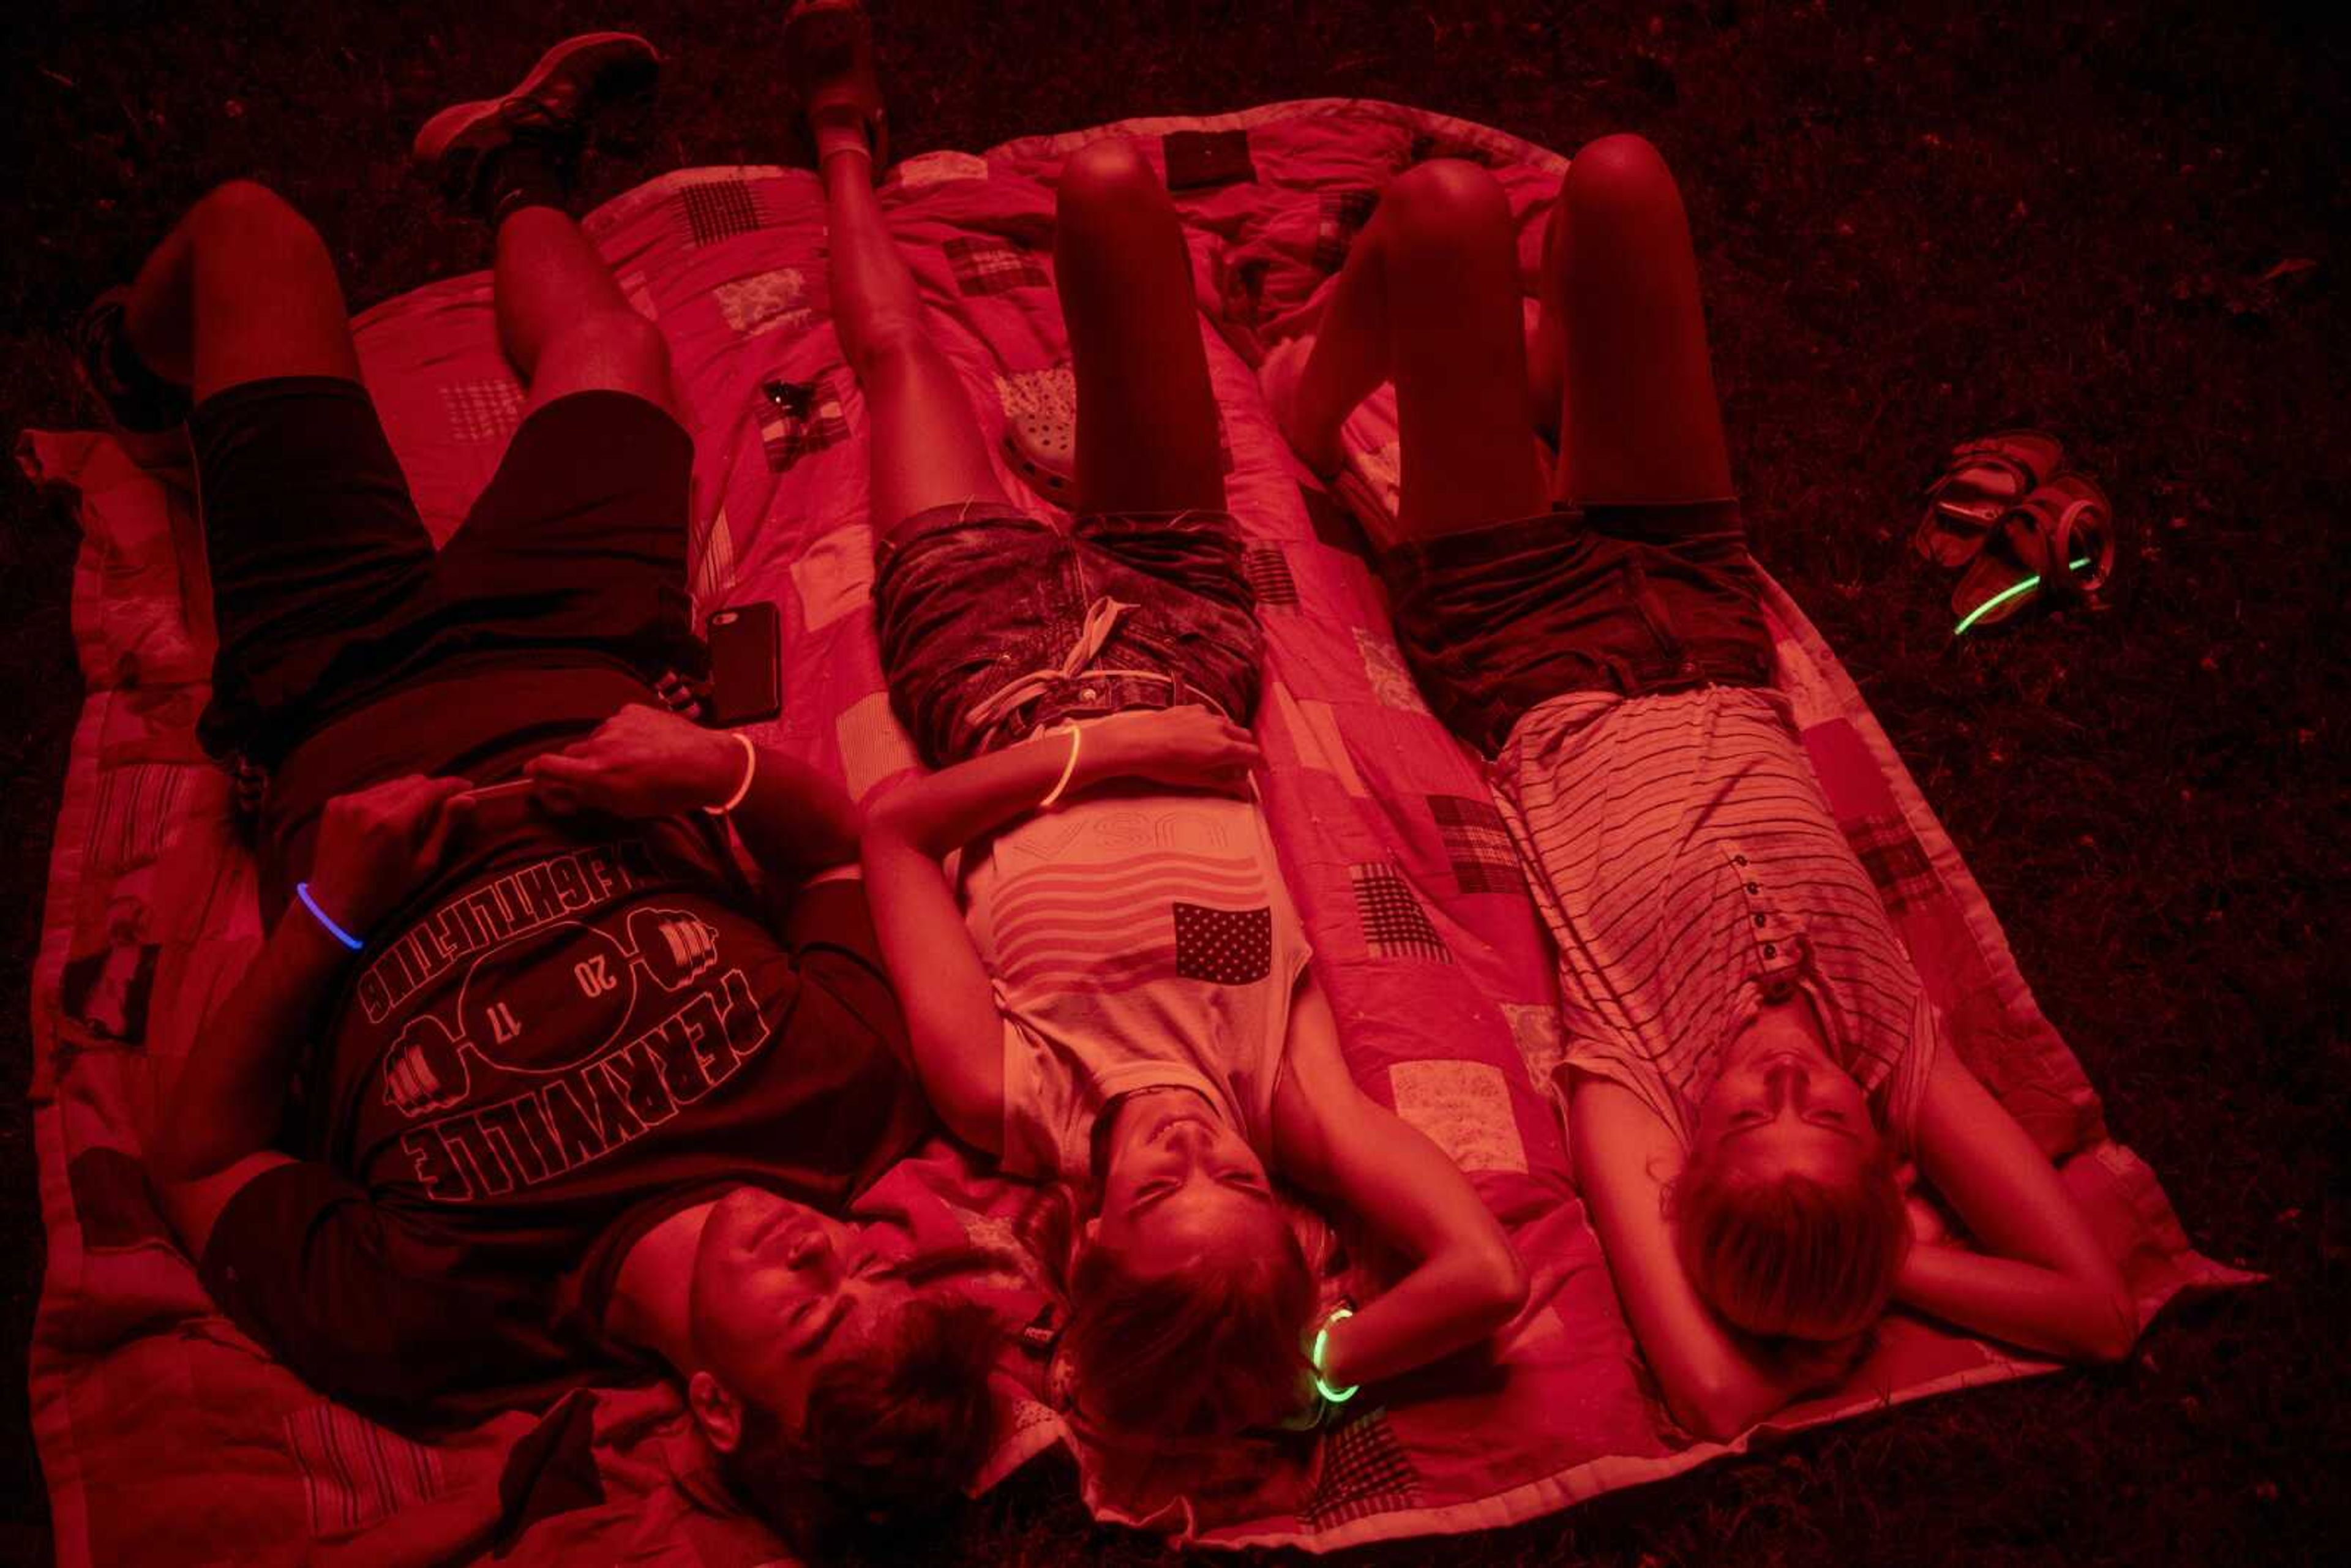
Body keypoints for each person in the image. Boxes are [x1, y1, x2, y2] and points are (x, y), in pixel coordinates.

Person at [91, 32, 997, 1546]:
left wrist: (329, 911)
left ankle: (131, 377)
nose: (829, 1251)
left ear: (716, 1406)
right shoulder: (848, 1108)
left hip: (336, 702)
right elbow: (834, 848)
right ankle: (505, 167)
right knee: (620, 360)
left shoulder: (438, 1335)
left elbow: (198, 1154)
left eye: (810, 1310)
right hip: (577, 652)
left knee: (252, 231)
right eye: (874, 1270)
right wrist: (705, 766)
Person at [1263, 138, 2140, 1441]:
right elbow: (2097, 1312)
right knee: (1620, 180)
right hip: (1705, 611)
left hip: (1519, 641)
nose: (1787, 1078)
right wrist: (1894, 1272)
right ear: (1892, 1160)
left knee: (1443, 212)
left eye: (1750, 1117)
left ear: (1684, 1174)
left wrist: (1833, 1302)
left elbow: (1718, 1391)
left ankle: (1301, 406)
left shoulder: (1634, 1083)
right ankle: (1547, 388)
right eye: (1821, 1113)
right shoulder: (1899, 1055)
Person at [786, 0, 1527, 1439]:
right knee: (1112, 197)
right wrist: (1309, 1374)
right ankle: (1303, 333)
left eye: (1159, 1194)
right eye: (1234, 1186)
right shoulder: (1286, 1092)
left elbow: (896, 830)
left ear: (1091, 1241)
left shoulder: (1011, 1096)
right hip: (1181, 622)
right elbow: (1483, 1273)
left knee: (908, 369)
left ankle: (838, 155)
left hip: (987, 658)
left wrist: (1093, 752)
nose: (1194, 1148)